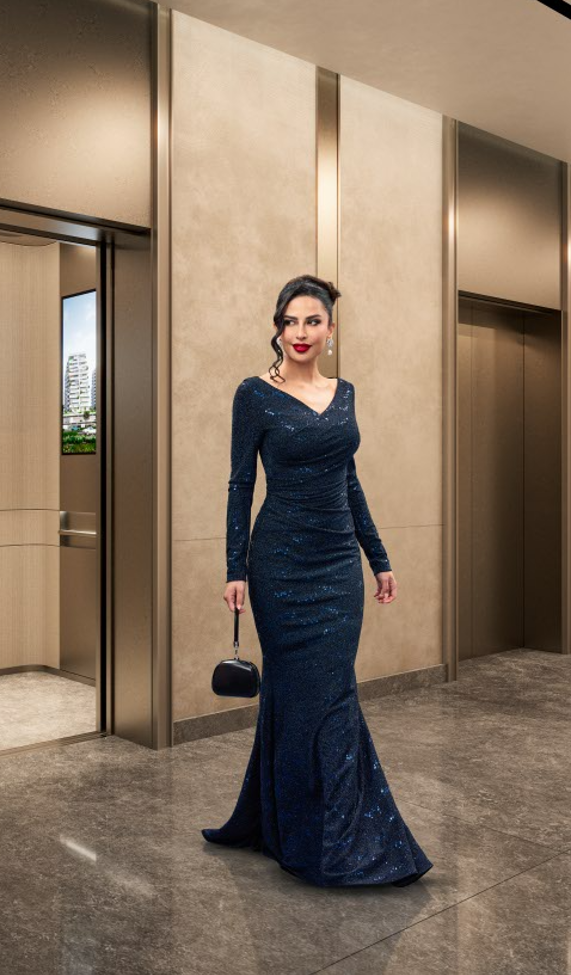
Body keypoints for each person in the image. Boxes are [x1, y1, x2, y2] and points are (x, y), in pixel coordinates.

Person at [202, 274, 433, 888]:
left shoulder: (345, 393)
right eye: (290, 321)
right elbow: (239, 485)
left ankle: (310, 830)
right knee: (300, 699)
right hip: (279, 566)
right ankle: (310, 839)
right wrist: (235, 567)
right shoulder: (253, 395)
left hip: (337, 569)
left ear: (331, 329)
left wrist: (377, 556)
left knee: (328, 695)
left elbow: (348, 480)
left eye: (313, 321)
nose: (301, 333)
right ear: (277, 327)